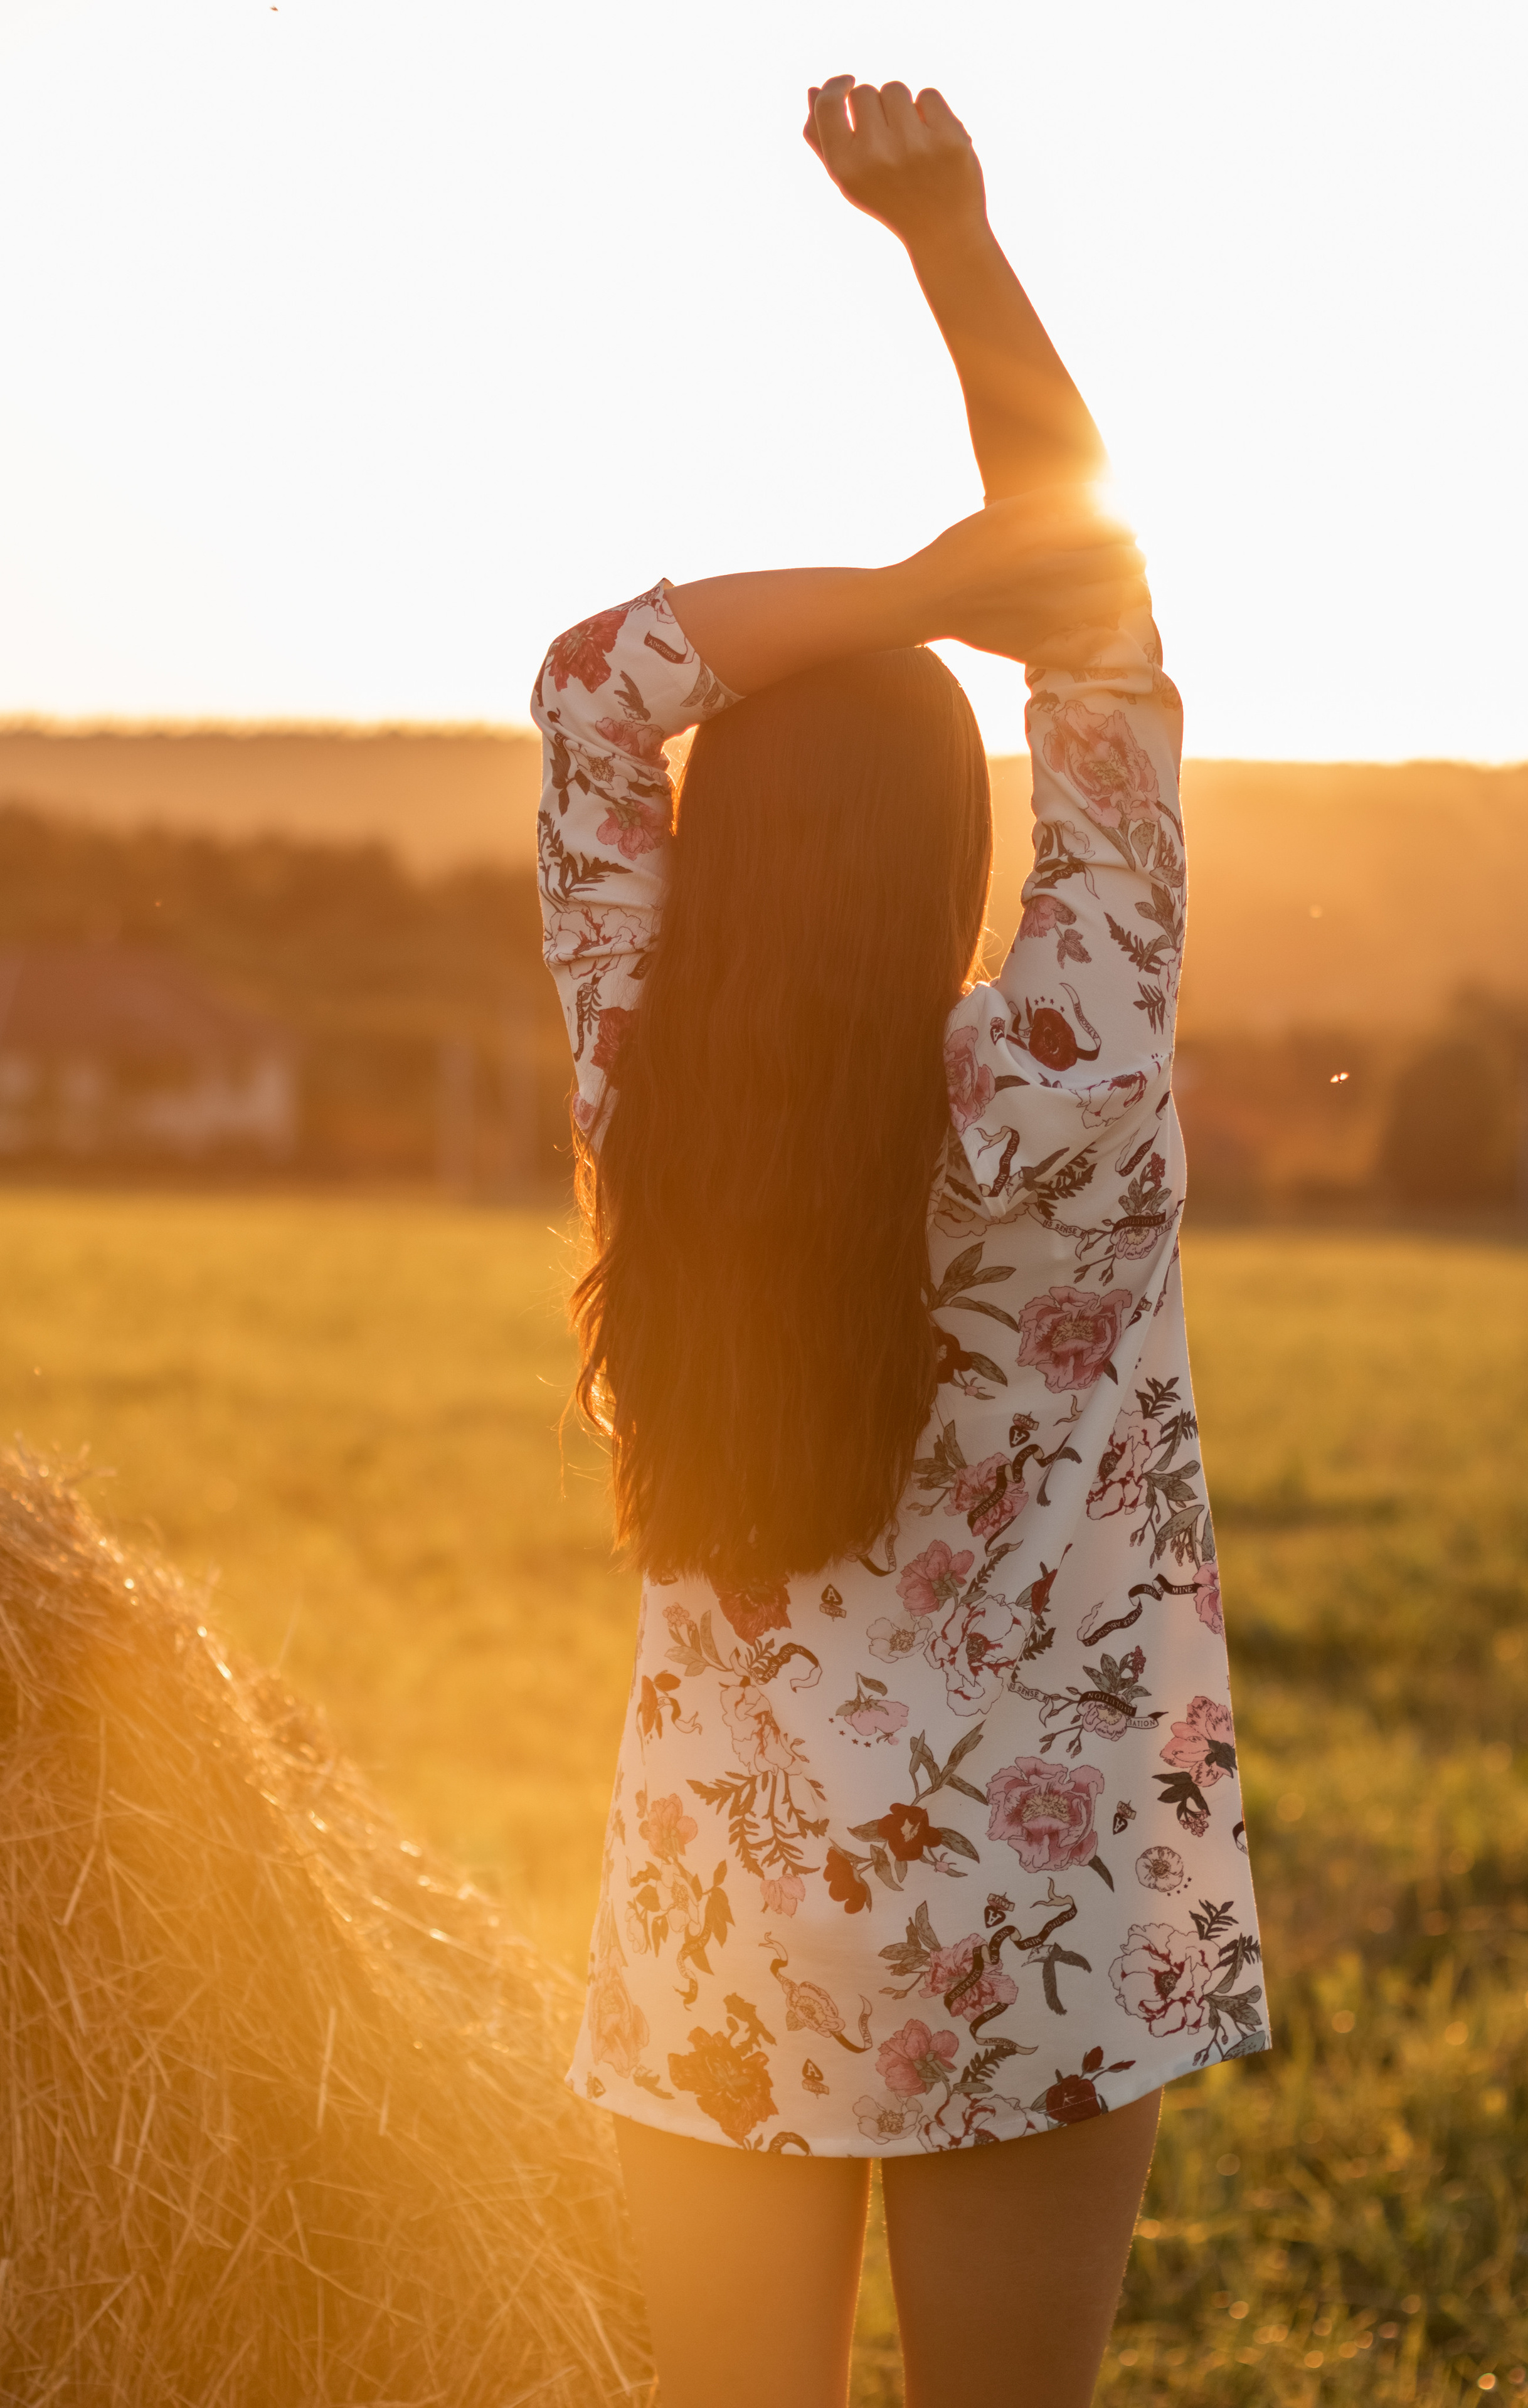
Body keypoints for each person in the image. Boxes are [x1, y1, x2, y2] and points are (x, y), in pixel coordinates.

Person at [533, 77, 1266, 2408]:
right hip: (1041, 1924)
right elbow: (1106, 621)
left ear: (720, 856)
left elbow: (590, 688)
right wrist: (955, 244)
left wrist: (906, 600)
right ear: (971, 858)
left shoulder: (653, 1072)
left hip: (725, 1905)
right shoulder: (1067, 1077)